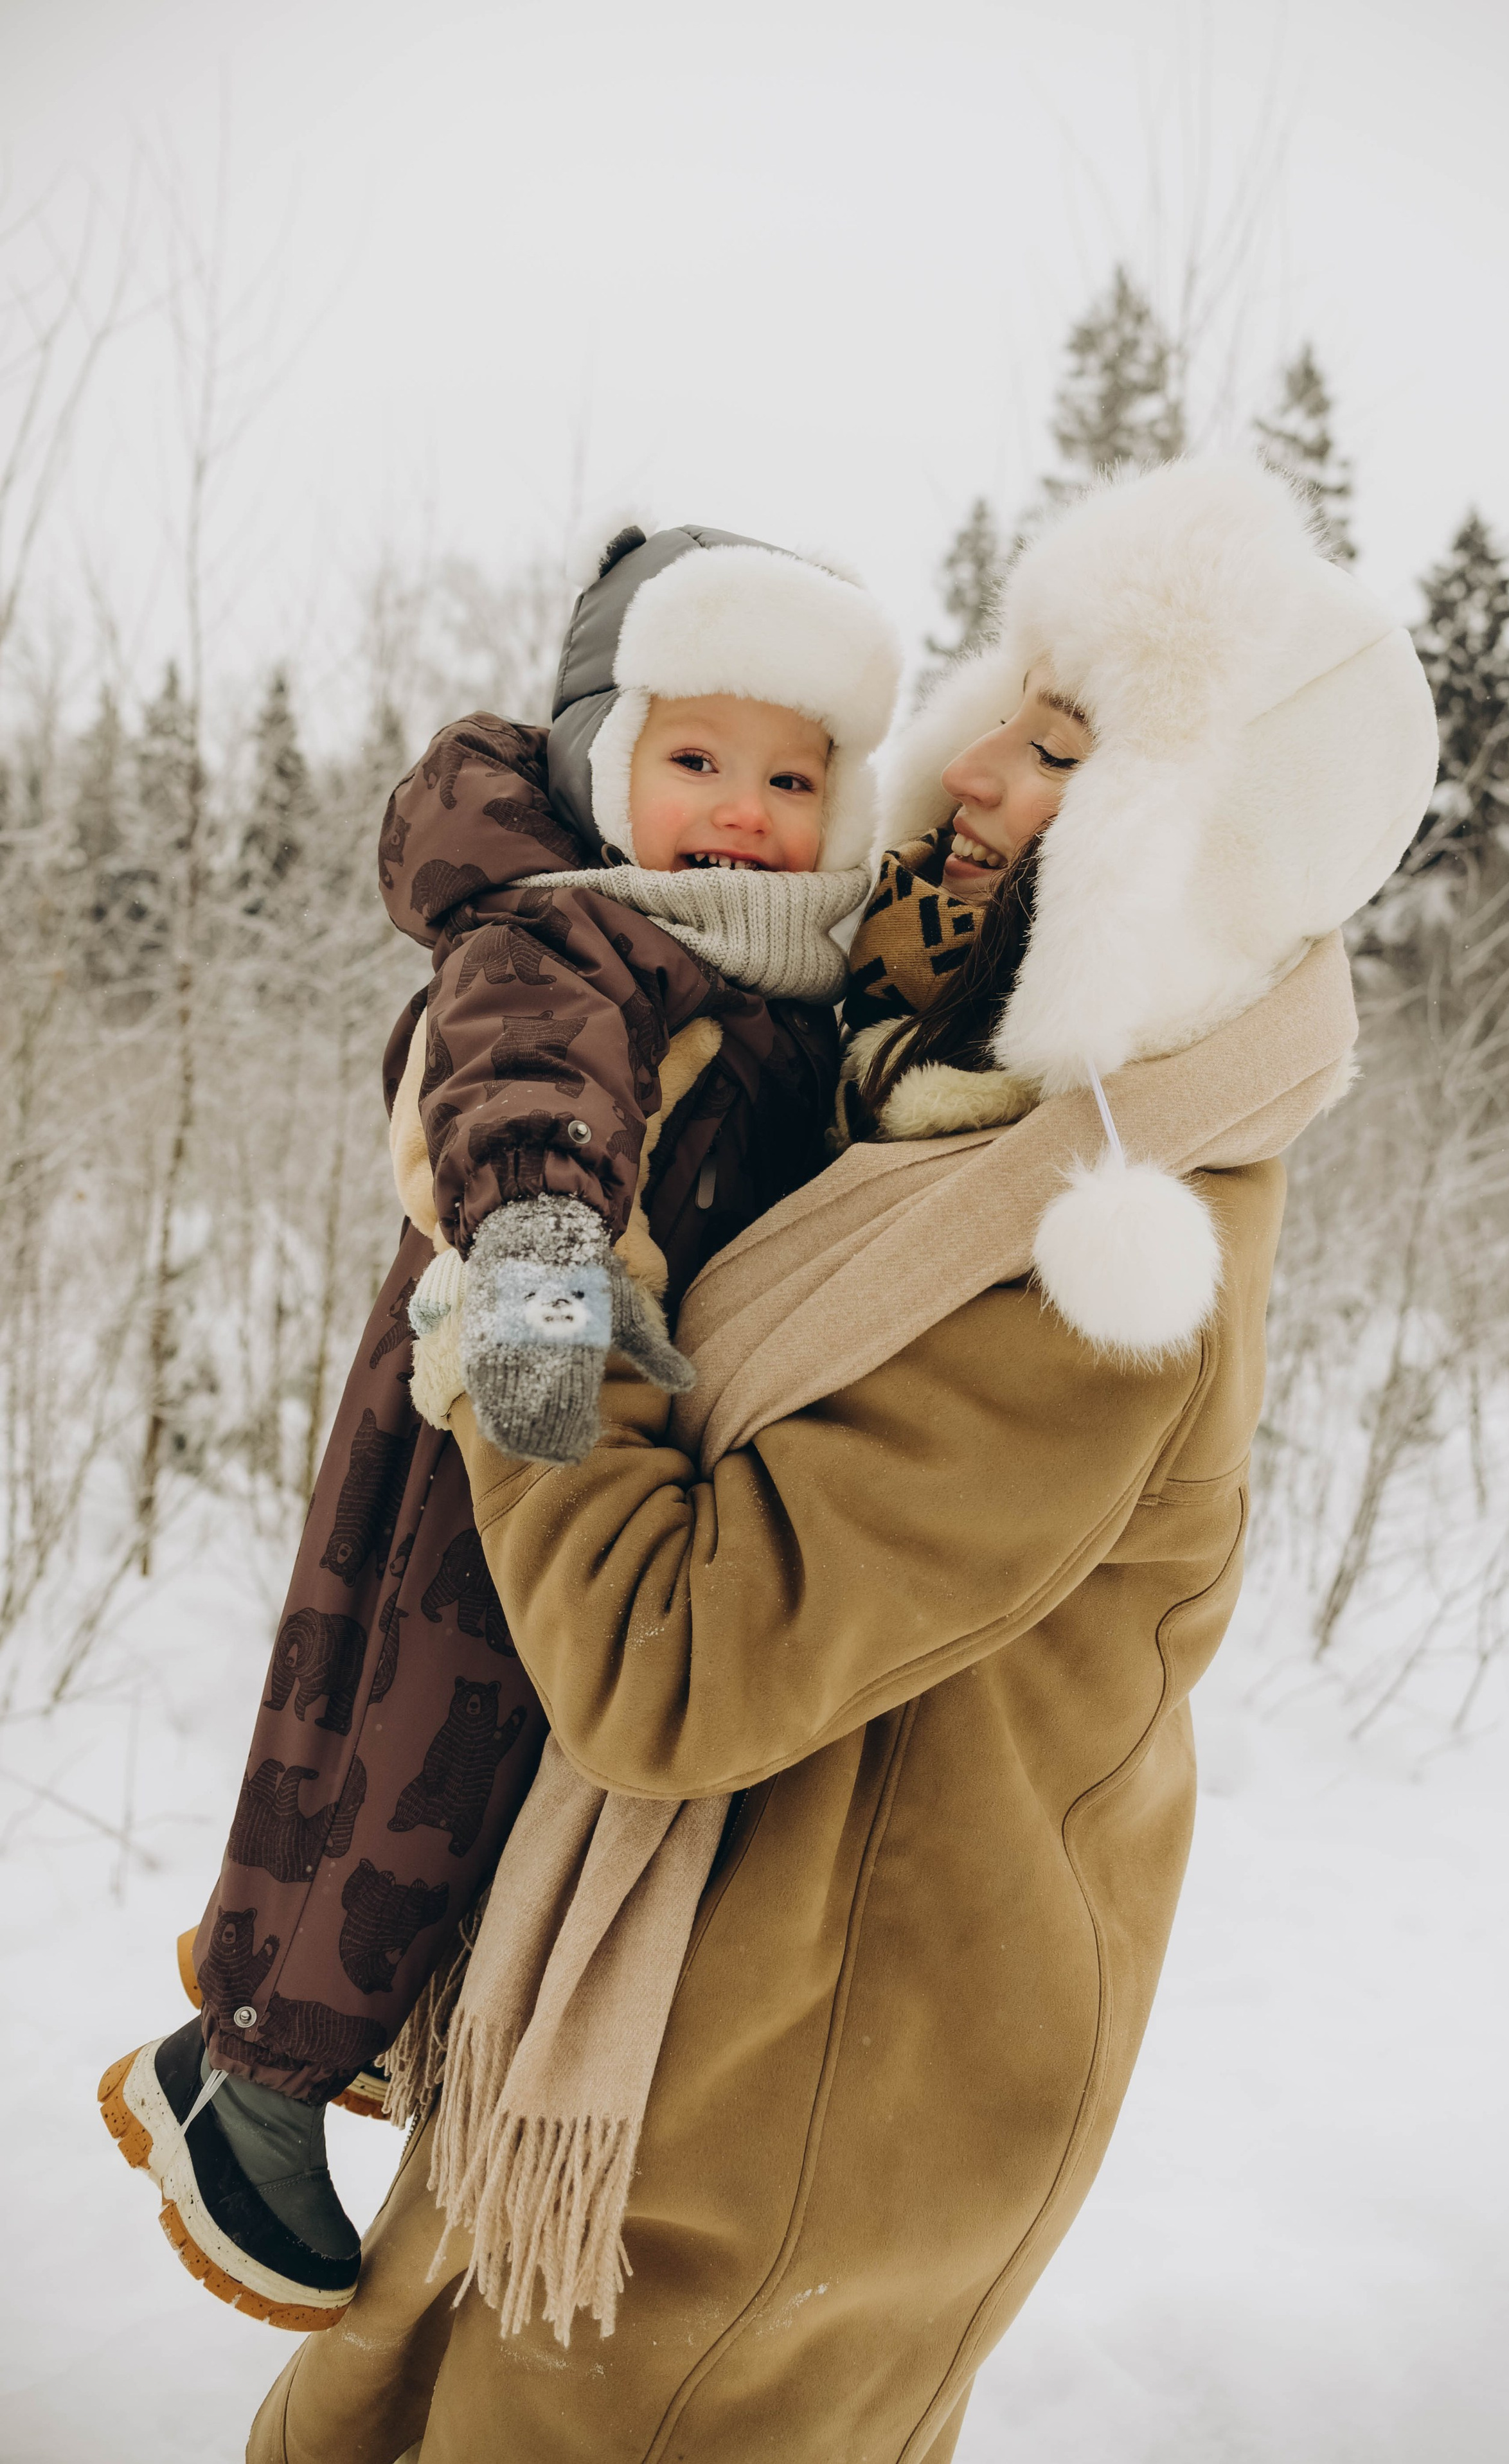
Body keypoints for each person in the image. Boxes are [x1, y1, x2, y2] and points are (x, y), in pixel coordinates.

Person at [237, 454, 1439, 2463]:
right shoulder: (936, 1109)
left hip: (778, 2141)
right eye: (1000, 712)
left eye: (1057, 748)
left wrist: (534, 1275)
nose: (966, 772)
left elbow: (672, 1658)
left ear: (1183, 853)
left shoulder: (1100, 1262)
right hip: (669, 2040)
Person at [94, 525, 901, 2328]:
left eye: (792, 775)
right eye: (697, 760)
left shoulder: (778, 974)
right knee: (411, 1744)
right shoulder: (573, 928)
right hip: (502, 1416)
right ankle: (266, 2098)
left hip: (611, 1443)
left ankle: (250, 2030)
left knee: (460, 1756)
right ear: (612, 759)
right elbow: (518, 1084)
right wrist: (544, 1257)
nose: (743, 808)